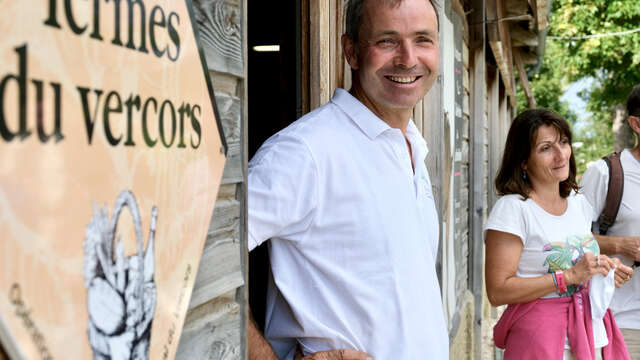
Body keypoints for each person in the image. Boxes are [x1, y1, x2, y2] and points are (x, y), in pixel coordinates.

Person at [247, 0, 448, 359]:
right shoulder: (305, 152)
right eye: (387, 41)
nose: (407, 58)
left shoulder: (413, 146)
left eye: (423, 40)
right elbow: (193, 254)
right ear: (351, 51)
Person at [485, 109, 633, 359]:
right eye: (545, 148)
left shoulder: (577, 202)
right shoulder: (513, 209)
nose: (560, 155)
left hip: (589, 332)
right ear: (523, 160)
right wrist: (569, 276)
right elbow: (498, 291)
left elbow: (576, 254)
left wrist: (605, 269)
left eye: (563, 142)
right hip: (539, 339)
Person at [581, 85, 640, 358]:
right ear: (636, 123)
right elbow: (564, 240)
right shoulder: (606, 173)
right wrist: (619, 244)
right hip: (622, 323)